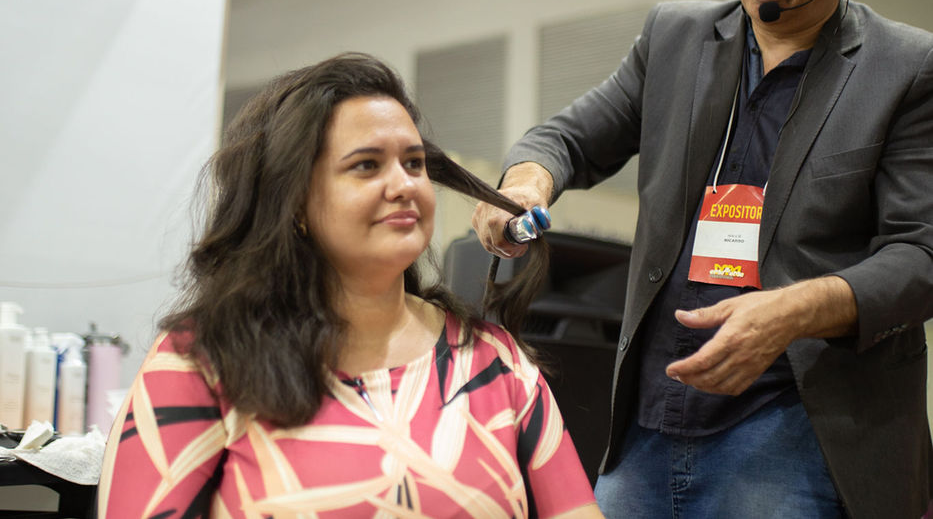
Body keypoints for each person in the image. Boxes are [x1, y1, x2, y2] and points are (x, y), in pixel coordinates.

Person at [472, 0, 933, 519]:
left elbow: (920, 256)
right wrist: (524, 185)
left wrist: (792, 311)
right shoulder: (674, 38)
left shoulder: (905, 68)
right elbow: (564, 138)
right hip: (651, 423)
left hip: (797, 430)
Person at [97, 52, 603, 518]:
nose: (404, 185)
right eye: (366, 166)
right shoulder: (205, 359)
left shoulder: (498, 364)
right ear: (294, 202)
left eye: (414, 163)